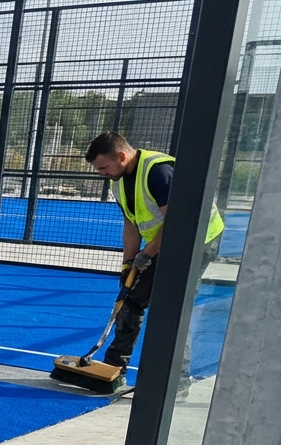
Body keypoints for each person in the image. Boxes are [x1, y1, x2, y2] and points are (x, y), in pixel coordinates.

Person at [85, 131, 225, 384]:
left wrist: (145, 256)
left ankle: (177, 380)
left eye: (103, 167)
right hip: (160, 241)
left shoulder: (158, 172)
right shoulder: (117, 179)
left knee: (171, 306)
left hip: (196, 241)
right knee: (130, 298)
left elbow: (177, 223)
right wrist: (129, 264)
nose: (101, 173)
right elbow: (131, 222)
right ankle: (114, 367)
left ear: (121, 155)